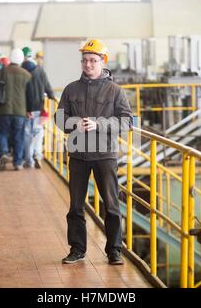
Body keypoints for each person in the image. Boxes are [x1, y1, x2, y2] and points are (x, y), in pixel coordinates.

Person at [55, 39, 133, 265]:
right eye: (84, 60)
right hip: (78, 155)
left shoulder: (115, 91)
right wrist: (73, 124)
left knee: (111, 205)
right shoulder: (71, 89)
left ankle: (114, 251)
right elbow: (59, 118)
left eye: (92, 60)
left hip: (105, 155)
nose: (87, 65)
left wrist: (99, 124)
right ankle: (77, 249)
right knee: (76, 206)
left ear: (102, 61)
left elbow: (127, 122)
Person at [0, 48, 31, 171]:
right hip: (20, 112)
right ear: (21, 59)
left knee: (1, 133)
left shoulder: (1, 72)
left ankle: (4, 154)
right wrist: (29, 110)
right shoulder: (27, 75)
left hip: (3, 110)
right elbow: (29, 95)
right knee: (18, 136)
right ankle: (18, 163)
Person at [22, 47, 54, 169]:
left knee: (27, 135)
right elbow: (47, 86)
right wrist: (51, 95)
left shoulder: (21, 69)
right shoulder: (40, 70)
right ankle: (37, 155)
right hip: (39, 107)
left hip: (26, 108)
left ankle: (29, 160)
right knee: (38, 133)